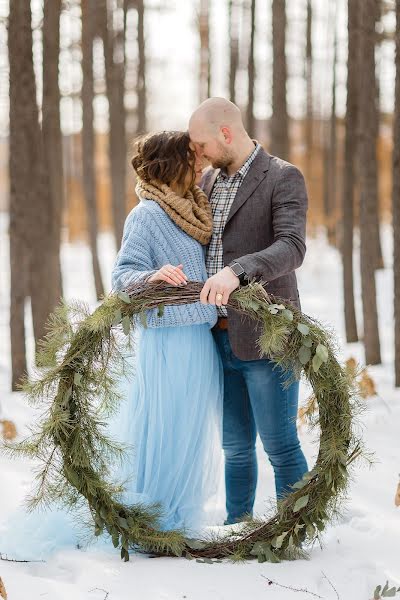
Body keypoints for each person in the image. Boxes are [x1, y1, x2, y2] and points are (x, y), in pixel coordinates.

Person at [188, 97, 309, 525]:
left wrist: (238, 272)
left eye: (201, 144)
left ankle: (294, 531)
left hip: (266, 335)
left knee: (280, 445)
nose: (197, 154)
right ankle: (237, 527)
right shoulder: (206, 182)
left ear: (225, 133)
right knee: (235, 447)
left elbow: (292, 247)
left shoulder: (282, 177)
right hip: (215, 336)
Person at [110, 130, 223, 534]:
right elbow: (121, 277)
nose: (200, 163)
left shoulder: (194, 208)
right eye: (192, 157)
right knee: (166, 430)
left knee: (190, 435)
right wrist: (153, 275)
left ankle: (178, 517)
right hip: (167, 342)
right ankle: (155, 520)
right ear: (173, 163)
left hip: (198, 338)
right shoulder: (147, 214)